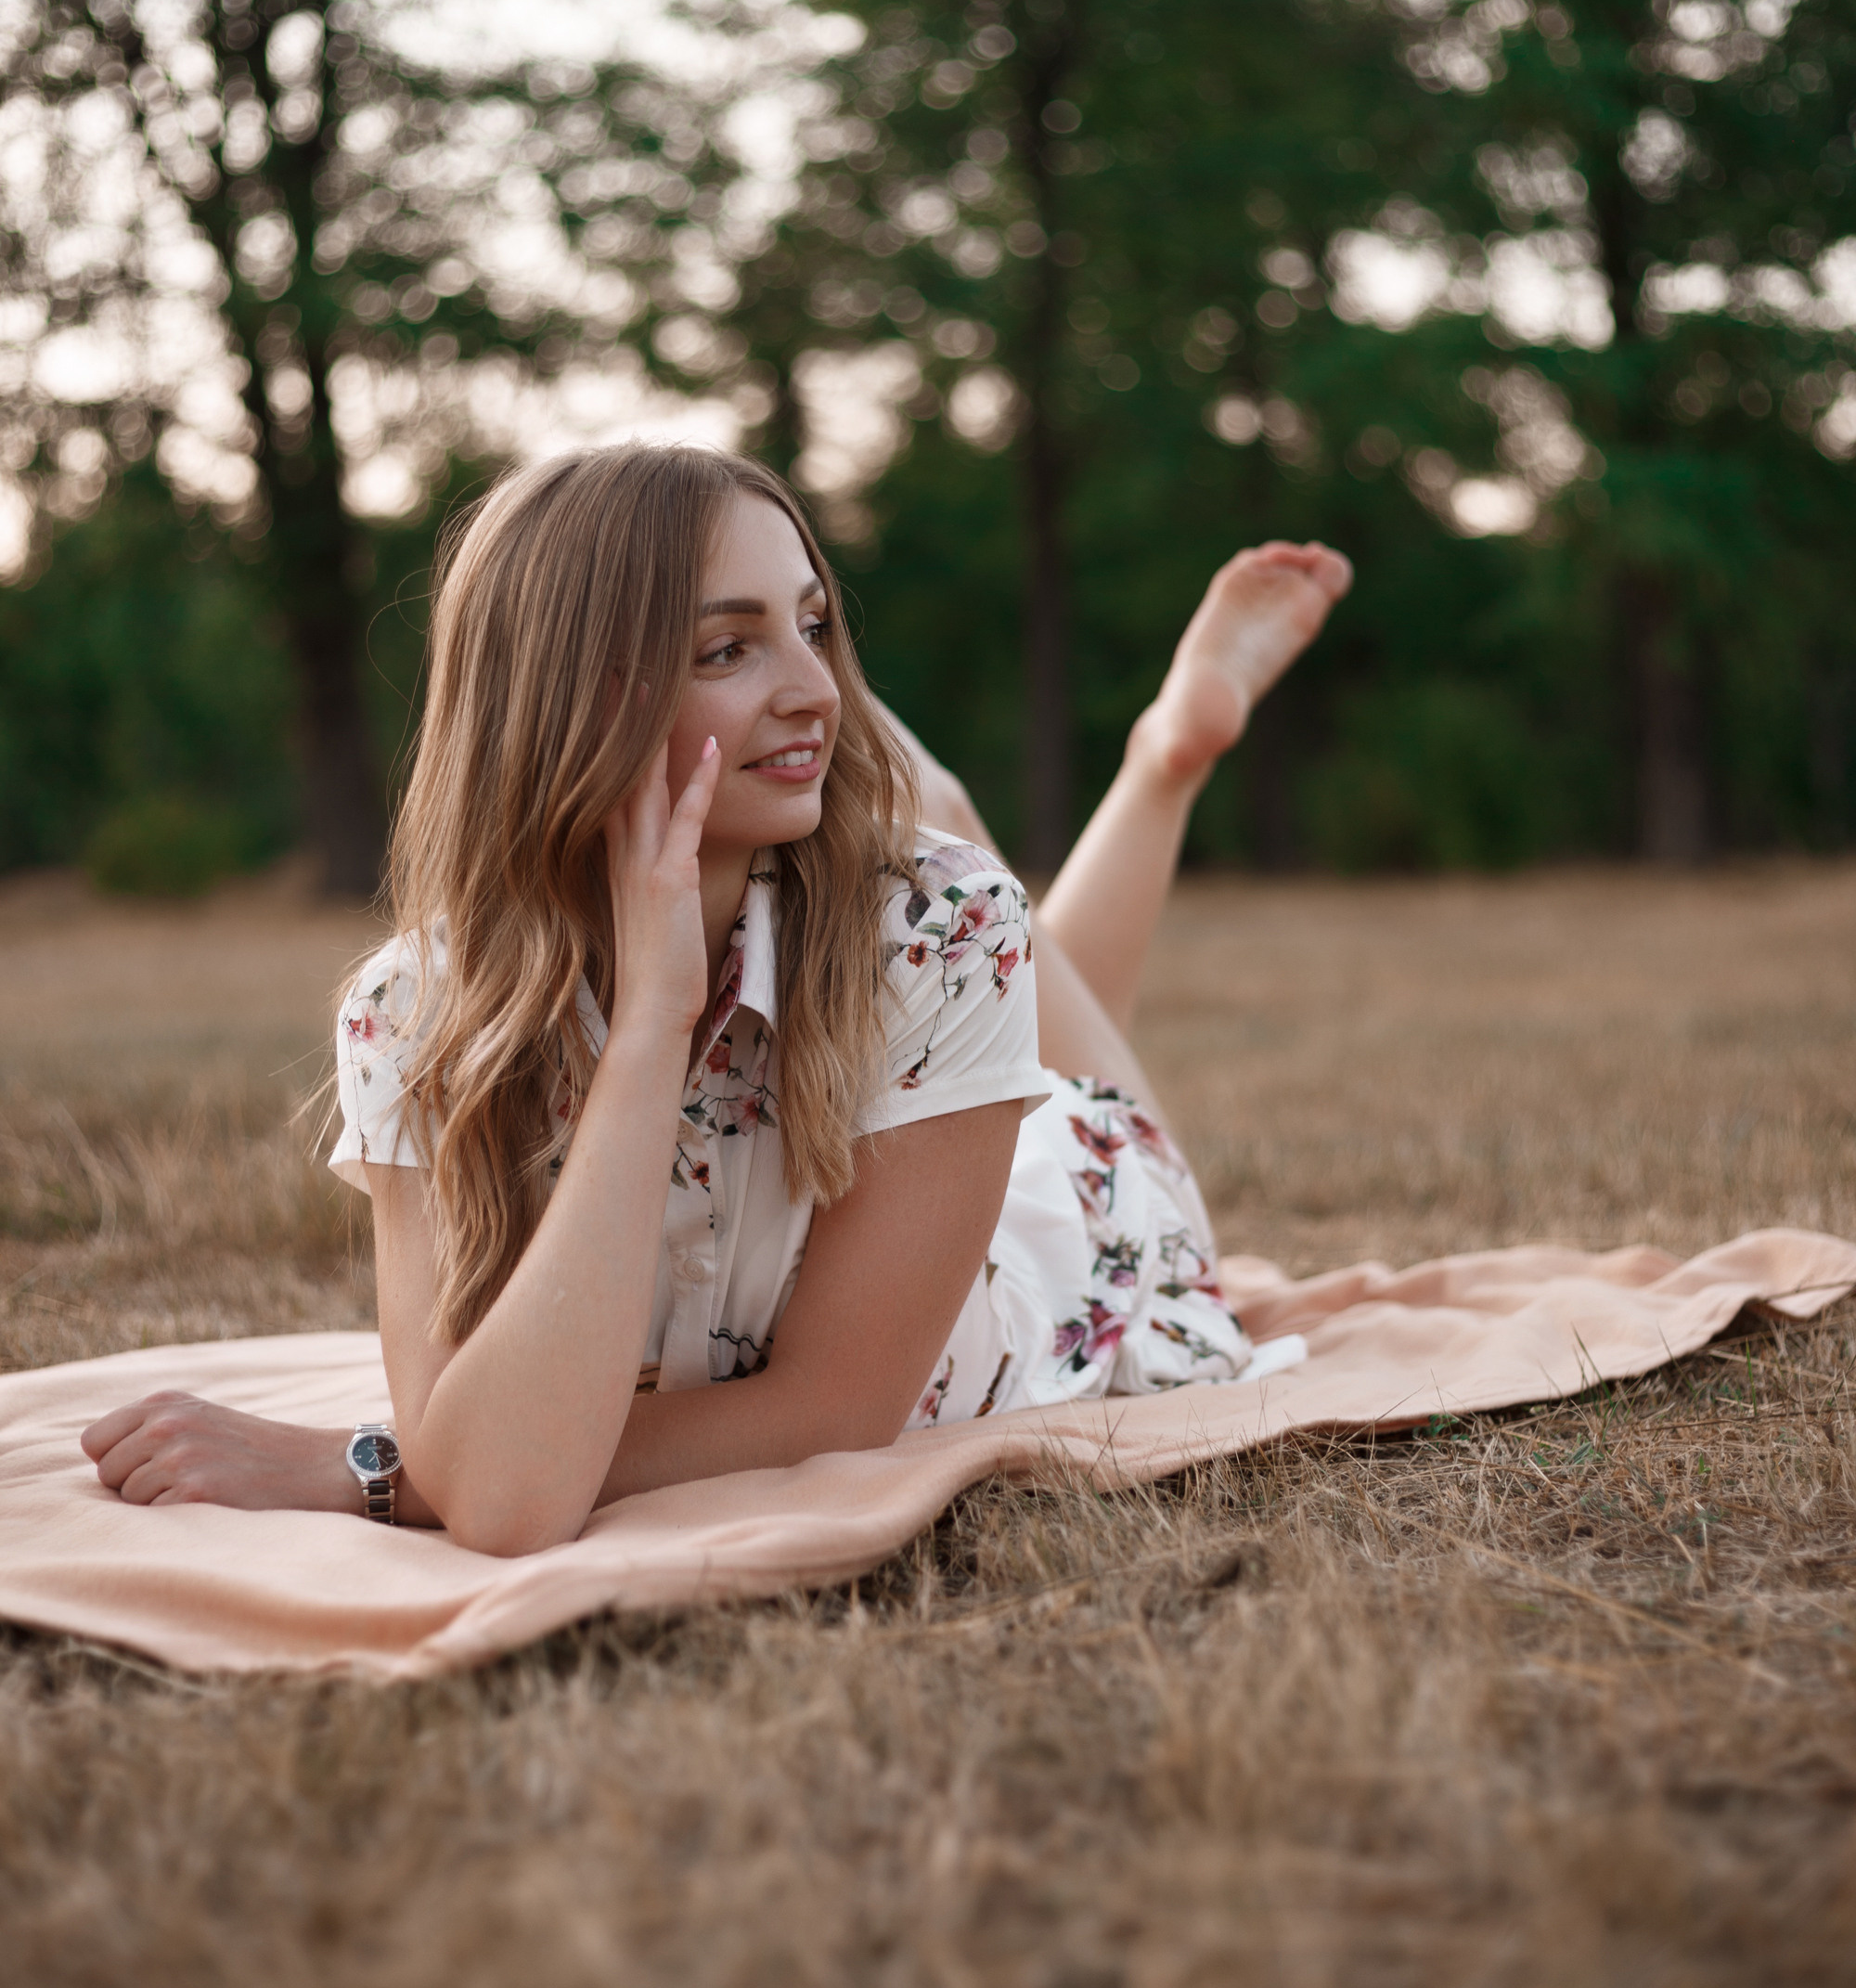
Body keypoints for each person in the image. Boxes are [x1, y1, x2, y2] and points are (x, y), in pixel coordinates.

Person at [81, 444, 1349, 1553]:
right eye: (730, 647)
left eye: (813, 628)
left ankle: (1162, 759)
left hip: (1058, 1248)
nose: (815, 687)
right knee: (973, 945)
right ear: (573, 698)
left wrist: (366, 1470)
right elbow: (508, 1495)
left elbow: (819, 1414)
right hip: (910, 1056)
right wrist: (646, 1038)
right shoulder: (412, 1013)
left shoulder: (943, 927)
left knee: (1055, 1056)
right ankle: (962, 796)